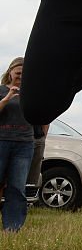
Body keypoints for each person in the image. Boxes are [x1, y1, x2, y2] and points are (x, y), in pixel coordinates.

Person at [0, 58, 34, 231]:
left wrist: (42, 137)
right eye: (18, 72)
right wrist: (7, 97)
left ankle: (12, 227)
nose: (21, 76)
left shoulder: (32, 92)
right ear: (10, 72)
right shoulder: (1, 90)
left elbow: (42, 116)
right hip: (2, 140)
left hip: (24, 143)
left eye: (24, 73)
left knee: (17, 186)